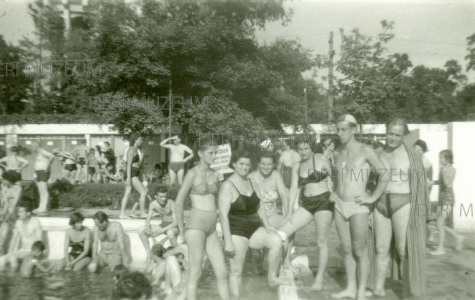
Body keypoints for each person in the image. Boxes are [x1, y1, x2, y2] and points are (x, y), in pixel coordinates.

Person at [330, 114, 389, 300]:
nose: (339, 133)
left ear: (354, 130)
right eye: (337, 130)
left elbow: (385, 174)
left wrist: (372, 197)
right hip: (340, 205)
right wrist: (332, 191)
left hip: (358, 206)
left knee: (359, 250)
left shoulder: (366, 150)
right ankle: (350, 288)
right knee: (347, 250)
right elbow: (337, 178)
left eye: (343, 130)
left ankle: (361, 292)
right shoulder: (338, 153)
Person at [372, 118, 430, 298]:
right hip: (380, 203)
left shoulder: (413, 156)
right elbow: (369, 181)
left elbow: (421, 186)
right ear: (385, 131)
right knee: (380, 249)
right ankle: (378, 288)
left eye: (398, 135)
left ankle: (408, 291)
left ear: (405, 135)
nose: (393, 138)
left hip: (403, 202)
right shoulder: (378, 153)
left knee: (404, 249)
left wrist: (425, 215)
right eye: (390, 133)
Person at [219, 149, 288, 296]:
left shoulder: (251, 182)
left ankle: (271, 278)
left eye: (247, 164)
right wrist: (228, 242)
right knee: (237, 271)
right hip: (236, 231)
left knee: (276, 241)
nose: (244, 167)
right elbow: (223, 216)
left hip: (254, 229)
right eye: (241, 164)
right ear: (234, 164)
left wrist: (268, 225)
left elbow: (259, 206)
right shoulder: (227, 186)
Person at [174, 141, 229, 300]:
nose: (214, 156)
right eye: (211, 153)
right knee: (195, 273)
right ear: (200, 154)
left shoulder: (215, 174)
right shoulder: (192, 173)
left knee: (222, 273)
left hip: (211, 226)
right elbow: (178, 203)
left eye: (215, 153)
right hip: (196, 225)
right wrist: (181, 231)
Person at [279, 136, 335, 290]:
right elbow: (293, 189)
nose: (303, 152)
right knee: (283, 231)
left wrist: (334, 193)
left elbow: (336, 177)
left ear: (312, 148)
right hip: (307, 204)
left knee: (321, 241)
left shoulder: (322, 159)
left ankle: (319, 278)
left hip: (324, 203)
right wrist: (289, 212)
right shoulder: (297, 165)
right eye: (300, 149)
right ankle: (286, 262)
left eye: (306, 149)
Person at [429, 149, 463, 255]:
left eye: (441, 158)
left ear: (448, 159)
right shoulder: (442, 169)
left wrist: (443, 170)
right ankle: (458, 237)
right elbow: (440, 182)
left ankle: (441, 249)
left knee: (440, 222)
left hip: (448, 198)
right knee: (438, 223)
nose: (439, 160)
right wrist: (431, 182)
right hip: (441, 198)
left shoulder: (452, 169)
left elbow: (447, 183)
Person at [138, 186, 179, 262]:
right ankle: (148, 253)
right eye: (161, 197)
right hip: (163, 225)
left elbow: (176, 222)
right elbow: (147, 220)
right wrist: (148, 228)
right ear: (155, 196)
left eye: (165, 196)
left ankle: (179, 255)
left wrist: (161, 231)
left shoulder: (171, 203)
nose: (164, 199)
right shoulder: (153, 204)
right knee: (141, 230)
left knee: (170, 233)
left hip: (174, 226)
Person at [0, 201, 43, 271]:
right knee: (1, 260)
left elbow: (40, 242)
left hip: (32, 251)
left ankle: (14, 277)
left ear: (28, 213)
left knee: (13, 258)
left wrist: (37, 256)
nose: (18, 214)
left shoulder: (35, 223)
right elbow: (13, 240)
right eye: (18, 212)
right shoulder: (18, 223)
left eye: (21, 212)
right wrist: (9, 253)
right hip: (22, 250)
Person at [119, 133, 147, 219]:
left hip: (133, 173)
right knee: (143, 192)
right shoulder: (131, 150)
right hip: (131, 174)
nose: (141, 141)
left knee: (127, 193)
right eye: (140, 140)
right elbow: (128, 164)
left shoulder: (136, 149)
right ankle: (142, 212)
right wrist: (128, 178)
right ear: (135, 140)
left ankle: (122, 214)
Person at [413, 140, 435, 242]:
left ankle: (426, 236)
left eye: (421, 150)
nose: (418, 151)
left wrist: (427, 194)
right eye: (416, 149)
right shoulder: (410, 161)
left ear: (424, 151)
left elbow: (430, 181)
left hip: (422, 193)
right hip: (411, 192)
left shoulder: (428, 163)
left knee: (421, 216)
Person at [0, 171, 23, 255]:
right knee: (3, 214)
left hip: (15, 210)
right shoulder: (5, 187)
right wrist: (3, 213)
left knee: (10, 211)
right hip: (7, 210)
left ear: (9, 180)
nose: (3, 182)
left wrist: (7, 214)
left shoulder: (18, 188)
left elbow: (15, 204)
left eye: (4, 180)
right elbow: (5, 203)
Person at [31, 140, 55, 213]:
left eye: (33, 147)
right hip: (38, 172)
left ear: (35, 146)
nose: (33, 149)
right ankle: (40, 207)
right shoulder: (39, 153)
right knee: (40, 190)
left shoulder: (42, 151)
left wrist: (47, 166)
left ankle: (44, 207)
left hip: (43, 172)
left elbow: (52, 156)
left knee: (44, 190)